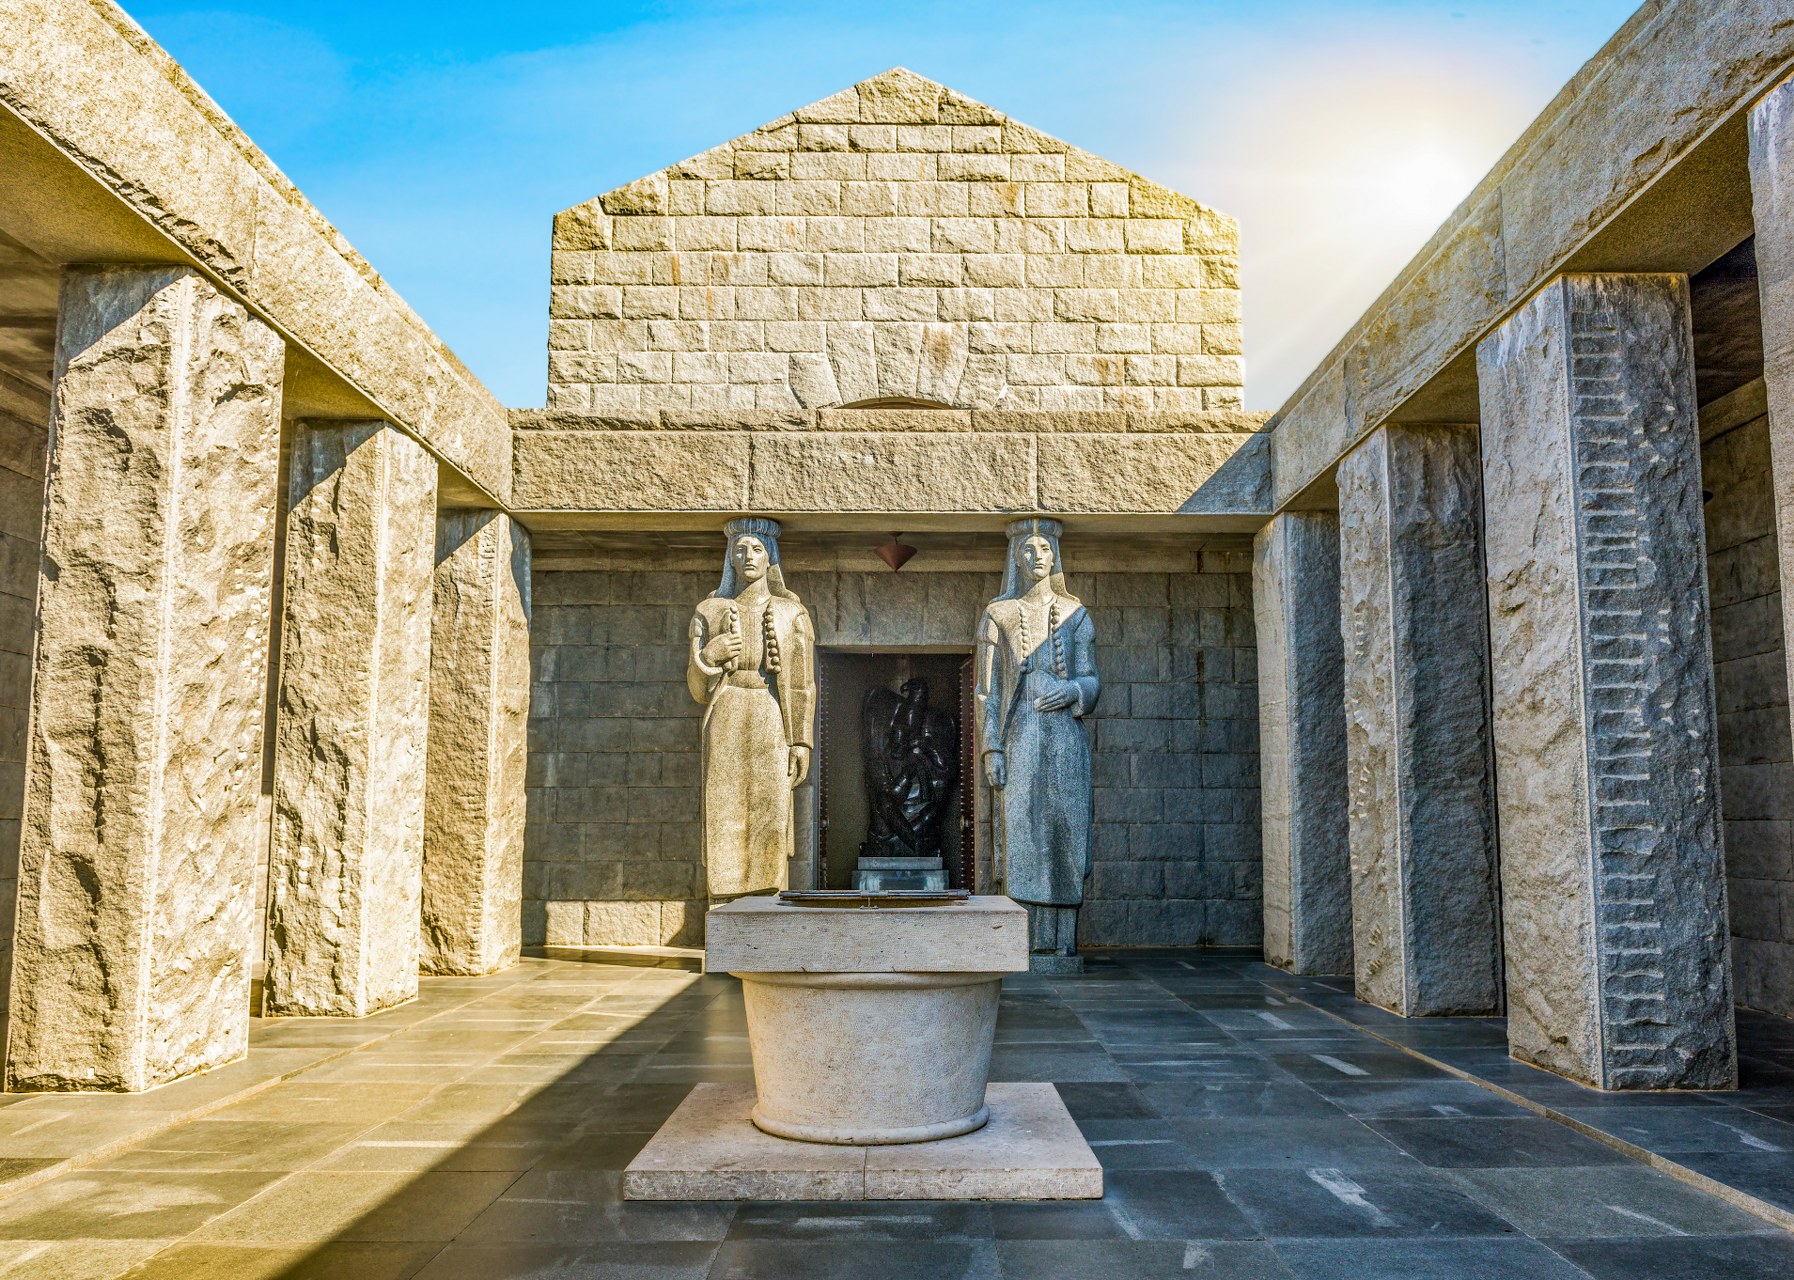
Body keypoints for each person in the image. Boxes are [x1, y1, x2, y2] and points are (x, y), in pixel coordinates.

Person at [975, 517, 1100, 962]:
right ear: (1016, 558)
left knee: (1065, 833)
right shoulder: (998, 615)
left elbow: (1091, 679)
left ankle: (1064, 940)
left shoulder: (1075, 613)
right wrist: (992, 747)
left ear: (1055, 556)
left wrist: (1073, 691)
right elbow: (987, 691)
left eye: (1044, 548)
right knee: (1024, 836)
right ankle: (1023, 941)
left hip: (1065, 736)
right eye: (1027, 549)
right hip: (1021, 735)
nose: (1036, 556)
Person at [687, 518, 816, 900]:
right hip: (725, 710)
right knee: (723, 809)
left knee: (771, 813)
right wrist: (709, 656)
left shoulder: (791, 613)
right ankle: (723, 901)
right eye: (740, 549)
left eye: (757, 549)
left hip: (770, 713)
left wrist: (800, 742)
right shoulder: (709, 611)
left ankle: (765, 903)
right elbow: (696, 688)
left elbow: (801, 684)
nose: (748, 556)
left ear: (770, 557)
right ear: (729, 557)